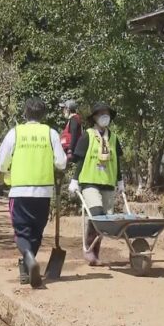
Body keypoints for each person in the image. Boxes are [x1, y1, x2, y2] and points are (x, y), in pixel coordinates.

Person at [0, 98, 67, 288]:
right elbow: (61, 162)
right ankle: (26, 267)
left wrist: (2, 178)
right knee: (36, 231)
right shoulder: (50, 133)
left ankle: (27, 257)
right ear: (43, 115)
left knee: (21, 232)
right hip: (43, 192)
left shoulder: (15, 133)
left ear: (25, 113)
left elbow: (1, 163)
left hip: (20, 191)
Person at [68, 102, 124, 266]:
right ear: (94, 117)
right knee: (97, 213)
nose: (104, 116)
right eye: (101, 113)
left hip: (108, 183)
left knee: (105, 220)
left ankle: (95, 252)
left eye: (106, 113)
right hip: (89, 181)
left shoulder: (113, 138)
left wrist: (120, 181)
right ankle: (89, 250)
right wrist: (75, 180)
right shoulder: (88, 136)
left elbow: (116, 162)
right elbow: (80, 160)